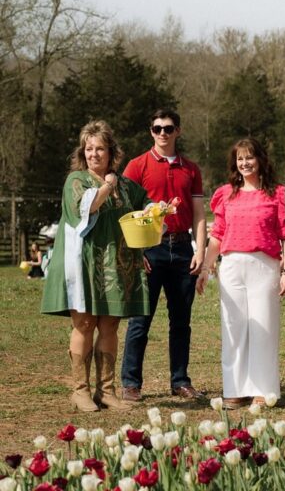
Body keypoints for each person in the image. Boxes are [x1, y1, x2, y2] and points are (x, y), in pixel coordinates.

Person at [41, 120, 150, 412]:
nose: (94, 154)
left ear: (111, 152)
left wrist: (155, 210)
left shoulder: (125, 185)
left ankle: (107, 391)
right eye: (89, 149)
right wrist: (108, 185)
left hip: (115, 262)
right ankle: (80, 390)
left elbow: (145, 203)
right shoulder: (76, 181)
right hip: (83, 261)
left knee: (110, 323)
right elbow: (86, 208)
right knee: (85, 322)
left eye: (100, 148)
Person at [197, 137, 285, 407]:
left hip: (265, 266)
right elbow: (217, 235)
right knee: (233, 328)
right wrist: (206, 267)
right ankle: (235, 389)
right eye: (240, 159)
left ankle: (264, 390)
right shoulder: (225, 194)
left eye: (249, 157)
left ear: (261, 160)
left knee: (263, 327)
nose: (245, 163)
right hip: (231, 268)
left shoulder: (278, 194)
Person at [120, 108, 207, 401]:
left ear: (178, 131)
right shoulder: (136, 166)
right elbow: (123, 211)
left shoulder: (191, 169)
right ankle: (131, 383)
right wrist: (135, 252)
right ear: (151, 131)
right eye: (157, 128)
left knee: (181, 320)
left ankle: (180, 380)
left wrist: (201, 249)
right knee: (140, 320)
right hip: (149, 249)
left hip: (183, 249)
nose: (162, 134)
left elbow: (198, 213)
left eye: (168, 128)